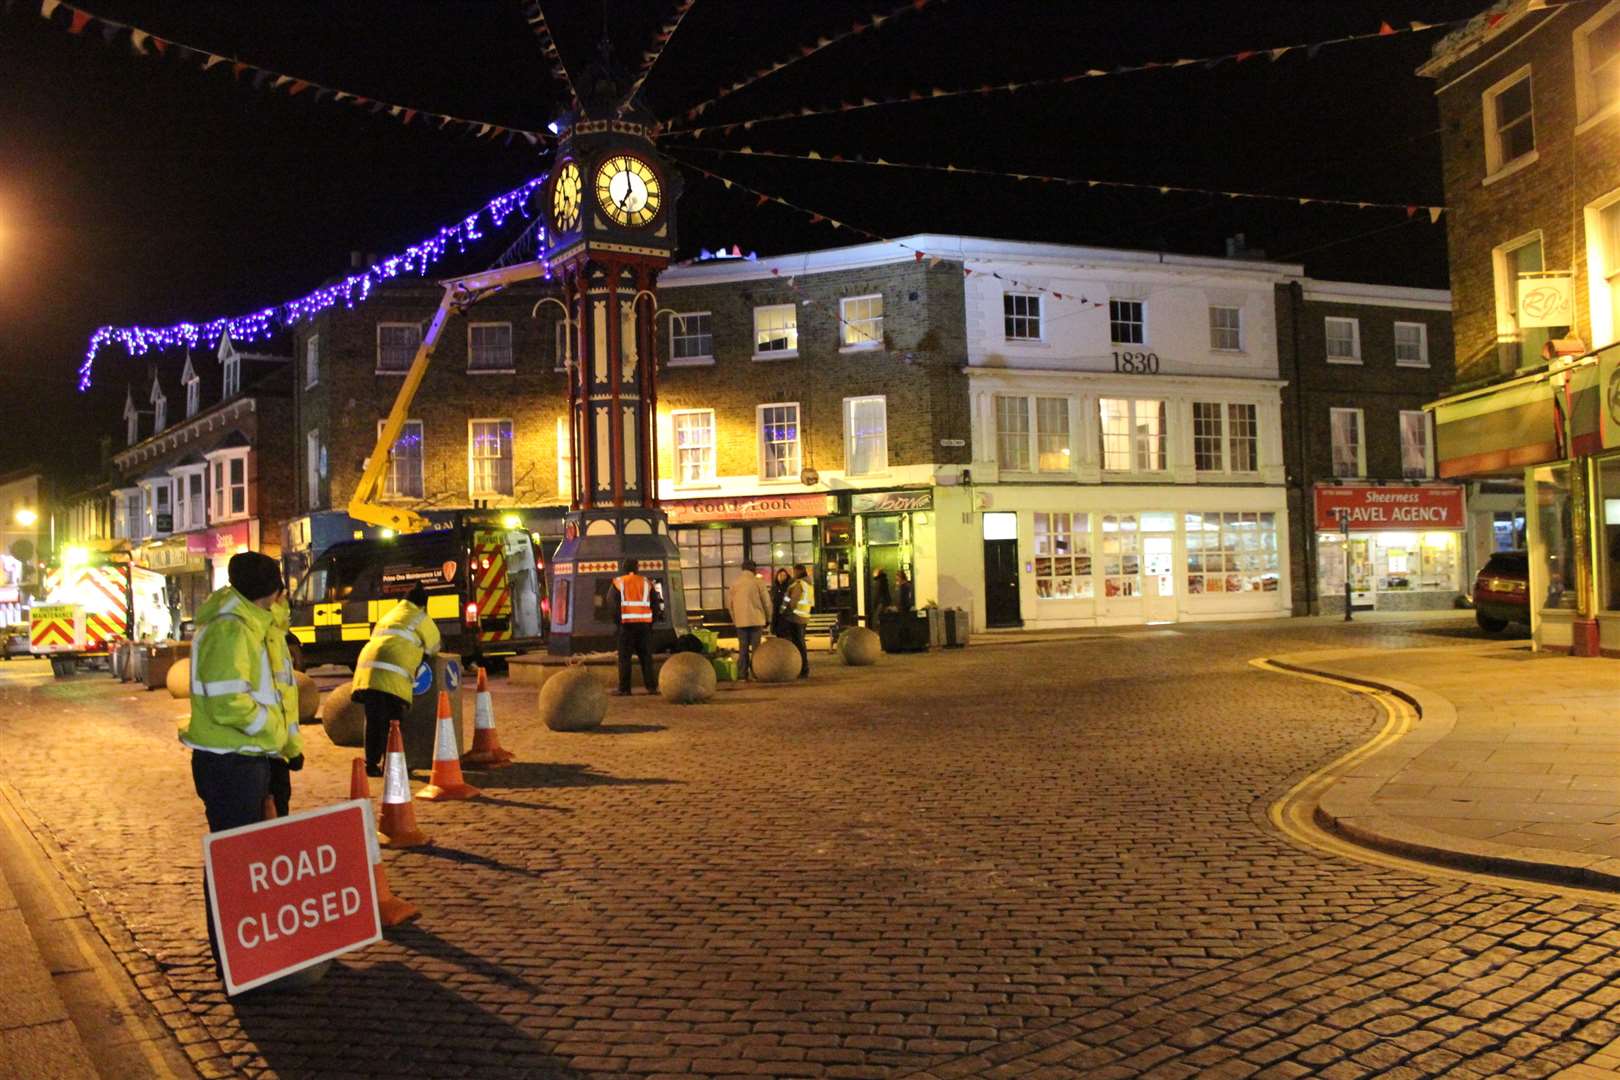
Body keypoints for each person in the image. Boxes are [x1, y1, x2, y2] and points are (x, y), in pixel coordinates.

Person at [179, 551, 299, 983]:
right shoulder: (231, 628)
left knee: (264, 864)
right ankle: (239, 960)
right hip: (232, 762)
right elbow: (230, 701)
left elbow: (282, 694)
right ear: (274, 589)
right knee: (235, 865)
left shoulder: (259, 624)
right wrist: (272, 735)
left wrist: (287, 748)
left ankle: (264, 950)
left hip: (259, 758)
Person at [353, 583, 439, 777]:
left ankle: (371, 765)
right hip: (393, 673)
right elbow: (435, 645)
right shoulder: (420, 617)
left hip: (367, 670)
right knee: (394, 721)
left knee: (375, 720)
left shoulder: (390, 614)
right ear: (423, 604)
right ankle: (393, 765)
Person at [266, 592, 304, 817]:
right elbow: (279, 700)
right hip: (267, 751)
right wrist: (290, 749)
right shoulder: (268, 634)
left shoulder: (275, 634)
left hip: (273, 750)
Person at [609, 558, 660, 695]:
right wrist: (650, 623)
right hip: (644, 627)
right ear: (637, 568)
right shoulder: (647, 583)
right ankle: (651, 687)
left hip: (626, 627)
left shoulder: (618, 582)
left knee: (625, 658)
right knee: (646, 658)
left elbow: (612, 605)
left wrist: (618, 623)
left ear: (623, 568)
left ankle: (625, 689)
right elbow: (656, 605)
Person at [727, 560, 772, 682]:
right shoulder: (758, 582)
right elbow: (766, 602)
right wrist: (769, 617)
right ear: (754, 569)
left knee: (743, 648)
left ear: (742, 569)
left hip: (741, 621)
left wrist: (735, 619)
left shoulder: (735, 583)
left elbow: (730, 605)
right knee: (756, 648)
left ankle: (742, 674)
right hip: (757, 619)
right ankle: (756, 672)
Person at [783, 563, 813, 679]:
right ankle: (804, 668)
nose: (793, 574)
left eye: (794, 571)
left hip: (796, 617)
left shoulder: (799, 583)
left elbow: (793, 601)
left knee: (798, 644)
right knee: (801, 643)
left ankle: (802, 668)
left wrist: (786, 610)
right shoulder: (808, 584)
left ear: (798, 571)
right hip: (804, 615)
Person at [770, 568, 792, 637]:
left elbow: (788, 600)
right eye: (780, 575)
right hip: (776, 615)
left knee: (785, 636)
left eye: (784, 575)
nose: (782, 577)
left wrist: (783, 609)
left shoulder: (788, 587)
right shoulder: (775, 587)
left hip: (785, 616)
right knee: (778, 635)